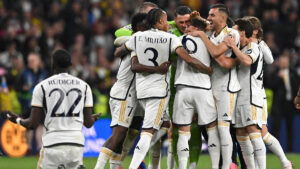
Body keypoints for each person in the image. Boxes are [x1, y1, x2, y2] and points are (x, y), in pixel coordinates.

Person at [125, 8, 212, 169]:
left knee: (165, 125)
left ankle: (149, 162)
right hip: (158, 92)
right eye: (165, 21)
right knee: (148, 131)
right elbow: (188, 59)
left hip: (141, 90)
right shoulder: (170, 38)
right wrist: (207, 69)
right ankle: (134, 165)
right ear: (159, 22)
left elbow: (125, 48)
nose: (167, 24)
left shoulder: (136, 37)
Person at [4, 49, 100, 169]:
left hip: (52, 143)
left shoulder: (41, 87)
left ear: (52, 63)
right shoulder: (85, 86)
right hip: (76, 144)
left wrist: (18, 120)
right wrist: (92, 118)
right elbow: (88, 123)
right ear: (70, 65)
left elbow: (33, 124)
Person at [94, 13, 149, 169]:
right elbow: (120, 47)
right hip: (124, 93)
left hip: (135, 94)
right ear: (140, 27)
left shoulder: (138, 40)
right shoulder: (136, 39)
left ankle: (115, 167)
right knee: (118, 135)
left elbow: (119, 43)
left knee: (127, 135)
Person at [188, 4, 240, 169]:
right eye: (208, 15)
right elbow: (207, 29)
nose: (208, 18)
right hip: (209, 87)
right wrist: (198, 20)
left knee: (224, 129)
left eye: (212, 15)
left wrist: (202, 35)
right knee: (211, 130)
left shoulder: (232, 34)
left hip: (227, 87)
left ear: (223, 18)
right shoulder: (211, 33)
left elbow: (217, 51)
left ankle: (227, 165)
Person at [245, 16, 293, 169]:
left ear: (254, 30)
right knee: (258, 133)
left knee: (258, 134)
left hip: (254, 94)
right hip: (255, 93)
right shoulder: (259, 44)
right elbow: (271, 60)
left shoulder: (252, 45)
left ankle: (281, 163)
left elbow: (270, 60)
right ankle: (284, 163)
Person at [172, 18, 218, 169]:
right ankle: (215, 166)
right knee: (212, 130)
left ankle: (183, 167)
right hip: (203, 89)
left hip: (183, 89)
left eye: (188, 25)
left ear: (194, 28)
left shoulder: (178, 39)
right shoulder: (210, 41)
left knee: (184, 132)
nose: (185, 28)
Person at [224, 18, 266, 169]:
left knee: (254, 134)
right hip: (240, 97)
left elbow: (248, 61)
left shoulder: (252, 46)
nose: (233, 35)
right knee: (241, 136)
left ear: (243, 32)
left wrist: (232, 47)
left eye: (236, 32)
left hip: (250, 97)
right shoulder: (242, 48)